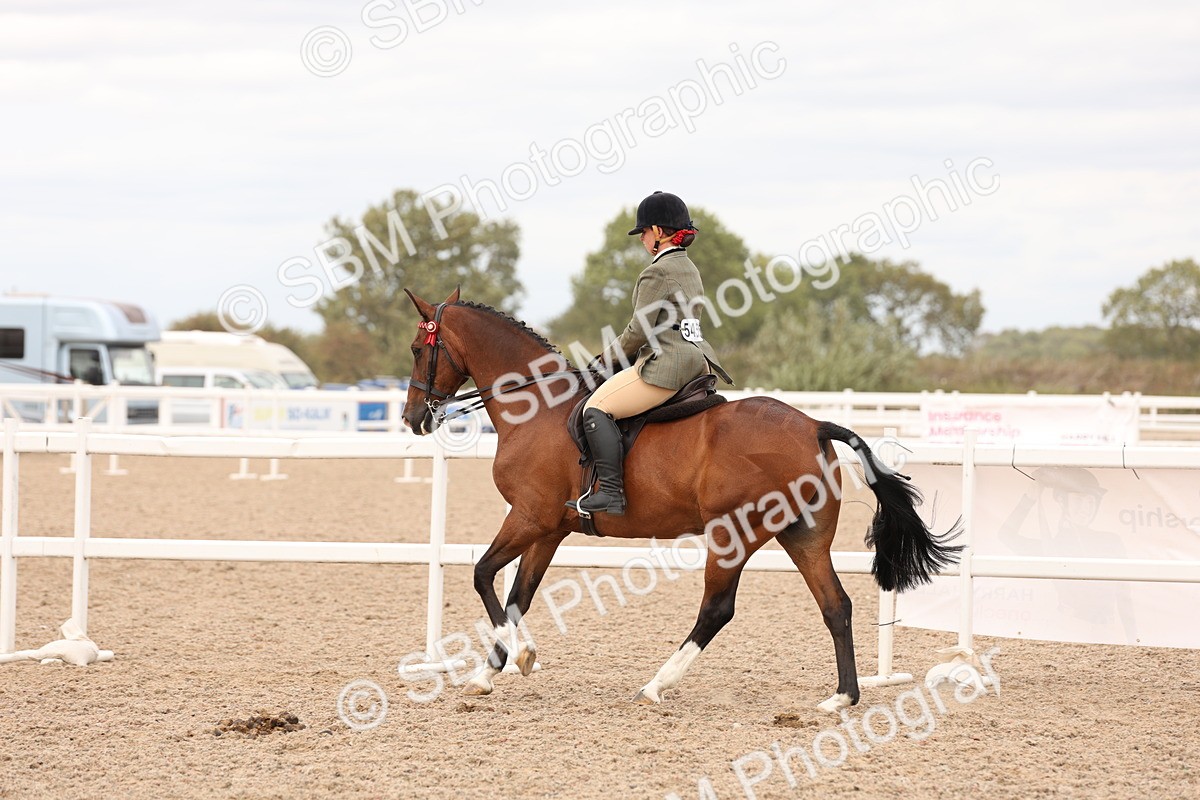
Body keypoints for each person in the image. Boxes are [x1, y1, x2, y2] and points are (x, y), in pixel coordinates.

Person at [569, 191, 732, 517]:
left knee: (595, 408)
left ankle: (611, 493)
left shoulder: (657, 272)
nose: (642, 238)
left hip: (667, 364)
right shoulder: (689, 267)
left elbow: (637, 332)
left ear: (658, 231)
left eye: (643, 231)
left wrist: (604, 359)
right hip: (697, 360)